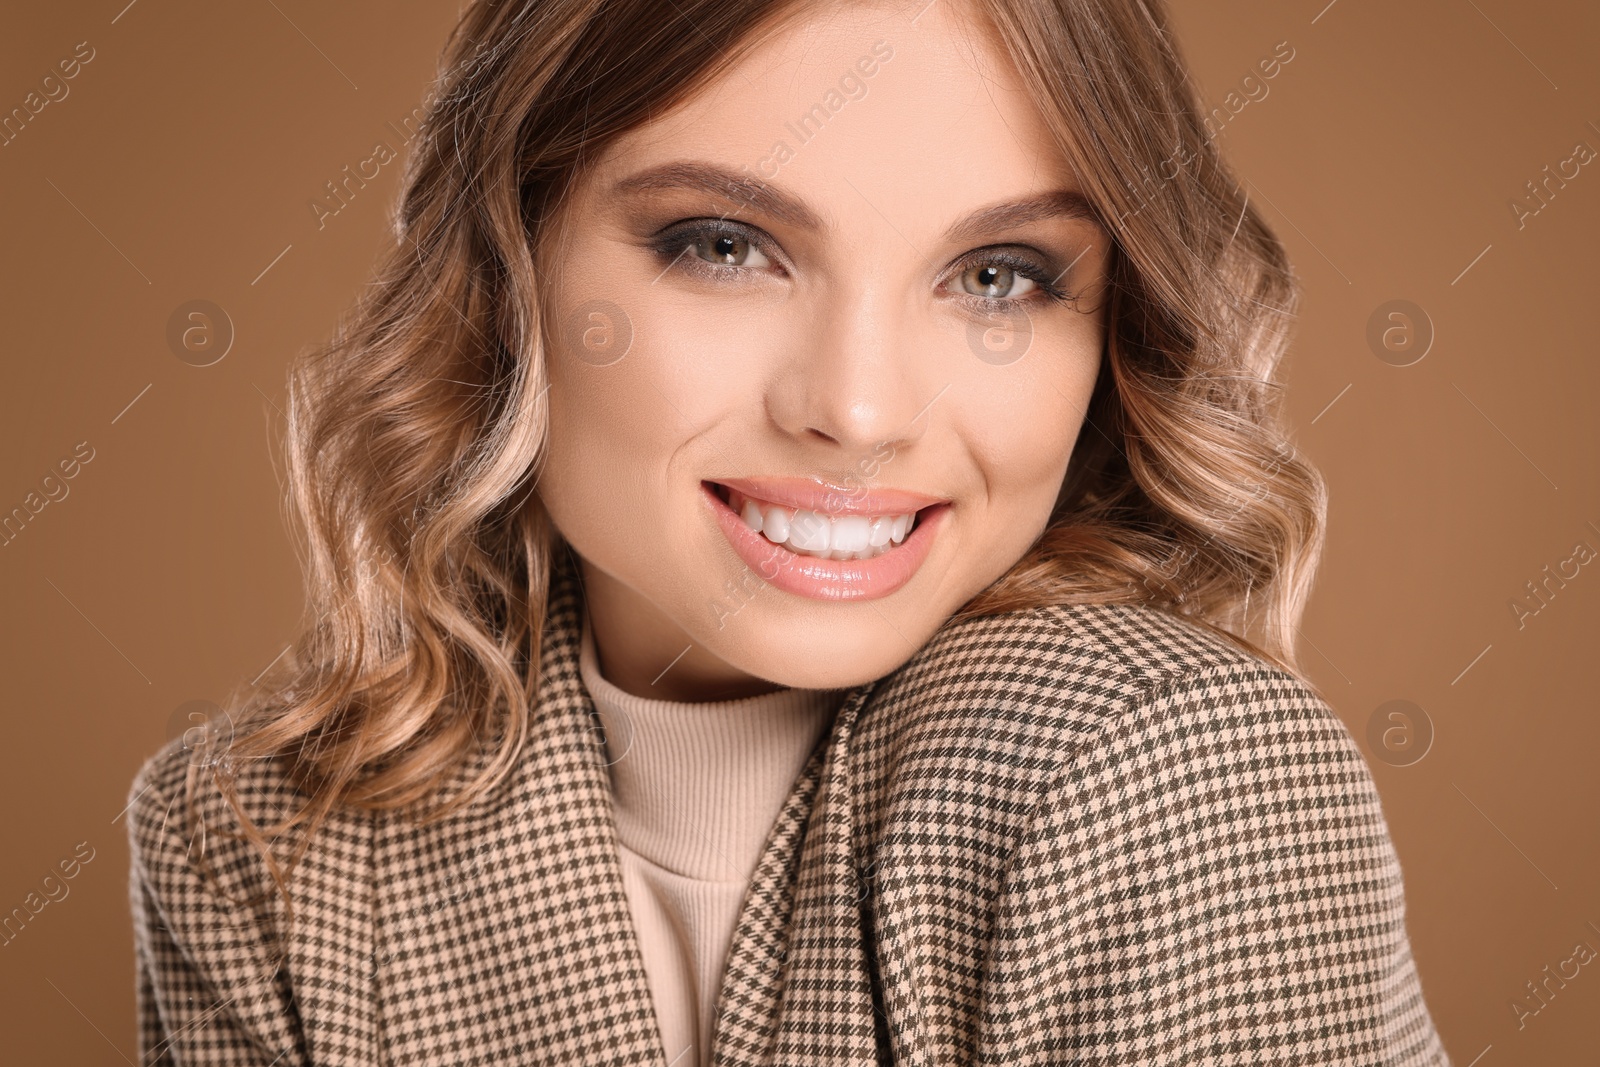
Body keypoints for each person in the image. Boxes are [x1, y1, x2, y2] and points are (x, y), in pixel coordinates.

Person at [127, 0, 1453, 1063]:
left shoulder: (1164, 769)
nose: (860, 411)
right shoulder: (256, 843)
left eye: (1000, 277)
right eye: (723, 245)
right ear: (509, 268)